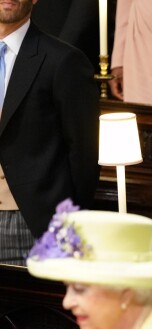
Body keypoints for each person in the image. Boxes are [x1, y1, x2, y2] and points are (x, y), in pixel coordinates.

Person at [0, 0, 99, 266]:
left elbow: (84, 156)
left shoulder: (63, 61)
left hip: (30, 223)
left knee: (27, 308)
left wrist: (66, 225)